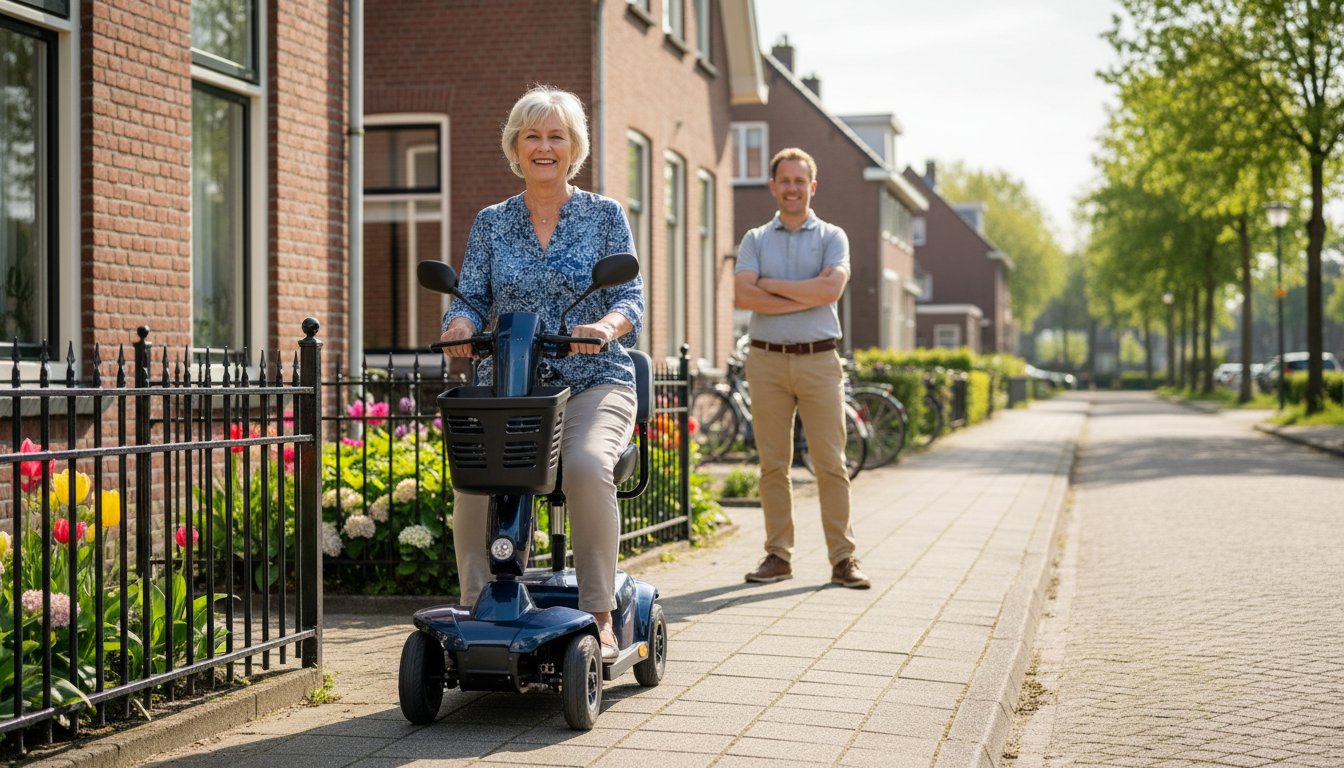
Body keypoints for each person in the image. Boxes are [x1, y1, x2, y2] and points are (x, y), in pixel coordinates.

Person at [440, 85, 645, 659]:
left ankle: (599, 613)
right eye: (532, 136)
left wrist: (603, 327)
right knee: (473, 478)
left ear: (574, 147)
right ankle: (478, 605)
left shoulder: (605, 216)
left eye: (557, 136)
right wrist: (459, 326)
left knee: (584, 465)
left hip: (594, 380)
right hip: (512, 385)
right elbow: (469, 298)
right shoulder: (492, 222)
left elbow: (630, 299)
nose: (544, 147)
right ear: (516, 147)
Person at [733, 147, 869, 589]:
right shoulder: (755, 239)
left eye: (800, 181)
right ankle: (778, 557)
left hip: (819, 360)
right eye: (785, 181)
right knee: (773, 465)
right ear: (773, 187)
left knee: (831, 464)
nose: (792, 188)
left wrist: (769, 286)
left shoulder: (833, 236)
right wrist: (806, 292)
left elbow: (831, 291)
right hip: (766, 361)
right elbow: (743, 296)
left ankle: (843, 559)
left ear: (813, 187)